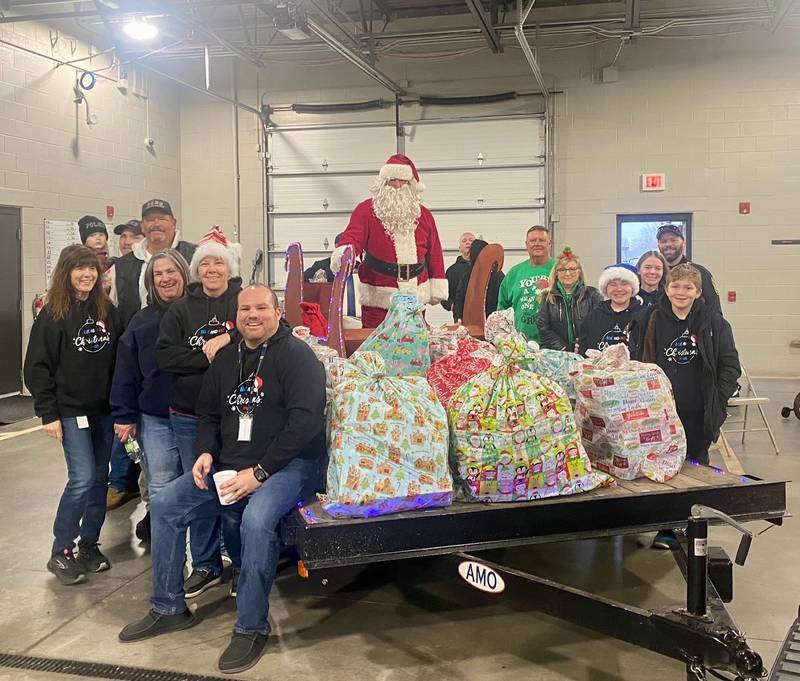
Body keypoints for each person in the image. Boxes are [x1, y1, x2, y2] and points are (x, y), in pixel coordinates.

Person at [120, 284, 326, 675]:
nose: (253, 314)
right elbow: (209, 415)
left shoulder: (298, 356)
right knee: (165, 505)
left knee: (256, 520)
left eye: (261, 307)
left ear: (278, 312)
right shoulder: (227, 359)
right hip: (231, 463)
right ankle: (168, 607)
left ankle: (251, 627)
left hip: (289, 466)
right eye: (245, 308)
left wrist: (260, 472)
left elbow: (305, 422)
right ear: (236, 315)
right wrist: (205, 453)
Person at [23, 244, 122, 585]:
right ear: (65, 273)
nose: (86, 274)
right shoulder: (52, 314)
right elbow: (36, 367)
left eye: (91, 268)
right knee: (81, 478)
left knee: (99, 479)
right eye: (79, 268)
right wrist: (47, 413)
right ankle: (60, 550)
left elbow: (120, 362)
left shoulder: (107, 311)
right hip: (70, 412)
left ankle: (89, 546)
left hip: (104, 413)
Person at [156, 226, 242, 598]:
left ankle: (239, 561)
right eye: (204, 263)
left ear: (229, 268)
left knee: (238, 490)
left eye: (218, 263)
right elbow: (165, 356)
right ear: (196, 269)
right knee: (200, 487)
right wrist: (208, 355)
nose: (211, 269)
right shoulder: (180, 309)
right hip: (189, 416)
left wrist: (230, 336)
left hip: (239, 417)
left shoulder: (245, 301)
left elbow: (273, 330)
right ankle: (206, 563)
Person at [642, 264, 740, 549]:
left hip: (698, 412)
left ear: (698, 292)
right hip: (663, 413)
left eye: (688, 287)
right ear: (666, 288)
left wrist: (717, 400)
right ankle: (666, 526)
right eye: (675, 286)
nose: (681, 292)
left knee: (696, 467)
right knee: (664, 470)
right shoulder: (653, 319)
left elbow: (729, 365)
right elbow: (642, 358)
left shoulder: (714, 323)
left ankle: (694, 523)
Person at [110, 250, 191, 544]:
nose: (166, 278)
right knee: (159, 485)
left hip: (197, 418)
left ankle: (204, 555)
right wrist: (124, 415)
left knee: (200, 483)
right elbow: (125, 371)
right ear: (151, 282)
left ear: (184, 274)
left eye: (172, 271)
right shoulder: (140, 323)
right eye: (158, 274)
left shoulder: (201, 314)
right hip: (155, 419)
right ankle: (168, 550)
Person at [331, 154, 448, 328]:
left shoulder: (424, 216)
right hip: (379, 296)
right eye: (391, 180)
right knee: (376, 345)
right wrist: (344, 252)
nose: (396, 185)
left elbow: (434, 252)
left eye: (402, 180)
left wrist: (437, 283)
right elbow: (352, 236)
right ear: (383, 183)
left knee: (414, 343)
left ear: (411, 185)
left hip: (416, 294)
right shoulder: (366, 211)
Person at [109, 199, 196, 327]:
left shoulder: (194, 256)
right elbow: (114, 311)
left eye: (162, 218)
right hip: (138, 342)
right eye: (150, 219)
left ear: (174, 223)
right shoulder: (122, 266)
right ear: (142, 226)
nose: (156, 224)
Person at [536, 246, 603, 351]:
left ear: (579, 272)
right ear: (556, 273)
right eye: (562, 270)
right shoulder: (547, 297)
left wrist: (583, 344)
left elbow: (599, 324)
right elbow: (543, 328)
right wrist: (563, 348)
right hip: (558, 354)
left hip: (587, 352)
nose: (567, 273)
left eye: (572, 269)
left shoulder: (593, 295)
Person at [497, 225, 556, 342]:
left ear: (550, 243)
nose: (537, 244)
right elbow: (502, 311)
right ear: (526, 244)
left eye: (542, 240)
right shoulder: (514, 273)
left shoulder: (561, 269)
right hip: (521, 345)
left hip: (555, 344)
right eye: (533, 241)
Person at [576, 263, 645, 358]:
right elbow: (583, 352)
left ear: (632, 287)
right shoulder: (592, 318)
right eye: (613, 284)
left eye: (624, 284)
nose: (619, 289)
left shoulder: (645, 316)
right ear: (605, 289)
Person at [656, 224, 721, 315]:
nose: (668, 244)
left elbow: (715, 310)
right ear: (658, 245)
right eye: (663, 241)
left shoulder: (700, 272)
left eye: (673, 240)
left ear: (683, 243)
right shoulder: (654, 274)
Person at [451, 238, 504, 323]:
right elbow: (459, 299)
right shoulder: (468, 275)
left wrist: (458, 317)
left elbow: (459, 299)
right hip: (489, 323)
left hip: (481, 323)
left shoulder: (468, 274)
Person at [442, 231, 475, 319]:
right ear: (459, 248)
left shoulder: (485, 267)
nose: (468, 242)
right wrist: (454, 307)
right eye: (464, 241)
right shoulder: (452, 271)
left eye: (471, 240)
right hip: (461, 319)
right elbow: (444, 297)